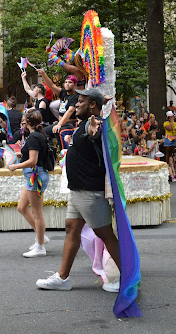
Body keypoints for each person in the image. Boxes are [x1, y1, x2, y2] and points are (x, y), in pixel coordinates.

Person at [36, 88, 121, 293]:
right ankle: (63, 278)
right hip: (77, 190)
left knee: (105, 234)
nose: (75, 105)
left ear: (92, 105)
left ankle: (126, 275)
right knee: (71, 229)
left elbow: (94, 132)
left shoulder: (94, 124)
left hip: (89, 191)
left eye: (81, 102)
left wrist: (94, 125)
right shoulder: (83, 122)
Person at [9, 109, 51, 258]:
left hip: (35, 176)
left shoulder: (33, 137)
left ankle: (40, 246)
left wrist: (15, 166)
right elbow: (35, 156)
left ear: (27, 122)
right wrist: (23, 154)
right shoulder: (38, 135)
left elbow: (33, 161)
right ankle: (41, 237)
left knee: (37, 213)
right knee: (22, 207)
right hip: (34, 175)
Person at [38, 70, 78, 148]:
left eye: (70, 82)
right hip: (61, 122)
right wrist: (44, 75)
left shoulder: (76, 96)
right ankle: (51, 153)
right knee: (43, 132)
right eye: (66, 82)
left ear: (75, 85)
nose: (67, 84)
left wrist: (59, 124)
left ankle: (63, 154)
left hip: (70, 123)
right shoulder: (63, 93)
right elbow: (52, 85)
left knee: (57, 130)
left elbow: (69, 111)